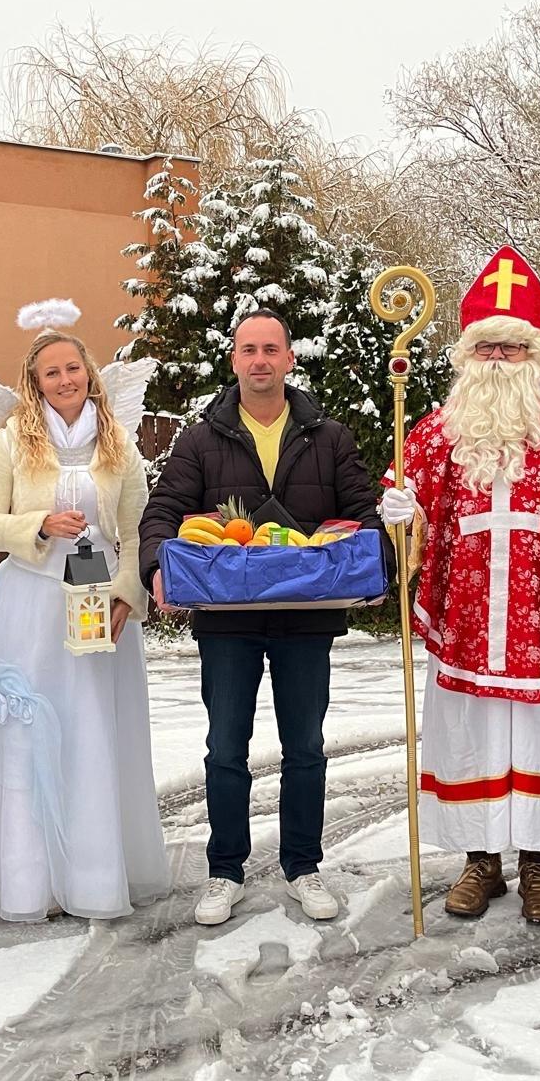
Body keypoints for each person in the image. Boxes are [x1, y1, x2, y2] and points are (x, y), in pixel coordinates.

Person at [380, 246, 540, 925]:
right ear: (467, 357)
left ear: (535, 358)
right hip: (467, 625)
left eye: (513, 350)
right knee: (473, 738)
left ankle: (539, 865)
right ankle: (480, 861)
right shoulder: (435, 433)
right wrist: (403, 517)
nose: (498, 362)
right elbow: (407, 517)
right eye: (487, 349)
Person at [139, 307, 391, 927]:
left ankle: (303, 866)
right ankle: (225, 871)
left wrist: (376, 562)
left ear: (289, 358)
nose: (260, 360)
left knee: (305, 747)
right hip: (228, 621)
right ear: (234, 361)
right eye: (248, 350)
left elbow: (362, 511)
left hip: (307, 619)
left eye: (270, 349)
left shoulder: (327, 437)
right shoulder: (200, 439)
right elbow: (164, 509)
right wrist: (156, 566)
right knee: (226, 748)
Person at [0, 300, 170, 921]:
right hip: (33, 606)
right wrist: (38, 523)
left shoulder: (119, 444)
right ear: (34, 382)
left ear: (89, 374)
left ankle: (95, 876)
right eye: (52, 373)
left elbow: (136, 528)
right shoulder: (12, 440)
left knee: (93, 731)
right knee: (32, 735)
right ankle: (28, 880)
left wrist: (129, 593)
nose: (66, 380)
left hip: (98, 608)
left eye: (74, 368)